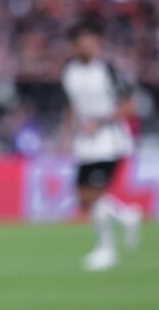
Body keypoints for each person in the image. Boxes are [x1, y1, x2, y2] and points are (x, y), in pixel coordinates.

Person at [61, 23, 142, 272]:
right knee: (85, 199)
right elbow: (73, 105)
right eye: (82, 42)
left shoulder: (108, 70)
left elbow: (129, 105)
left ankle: (106, 249)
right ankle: (126, 216)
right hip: (85, 142)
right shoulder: (70, 72)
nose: (87, 47)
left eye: (91, 41)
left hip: (110, 142)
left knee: (92, 196)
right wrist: (67, 132)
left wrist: (101, 122)